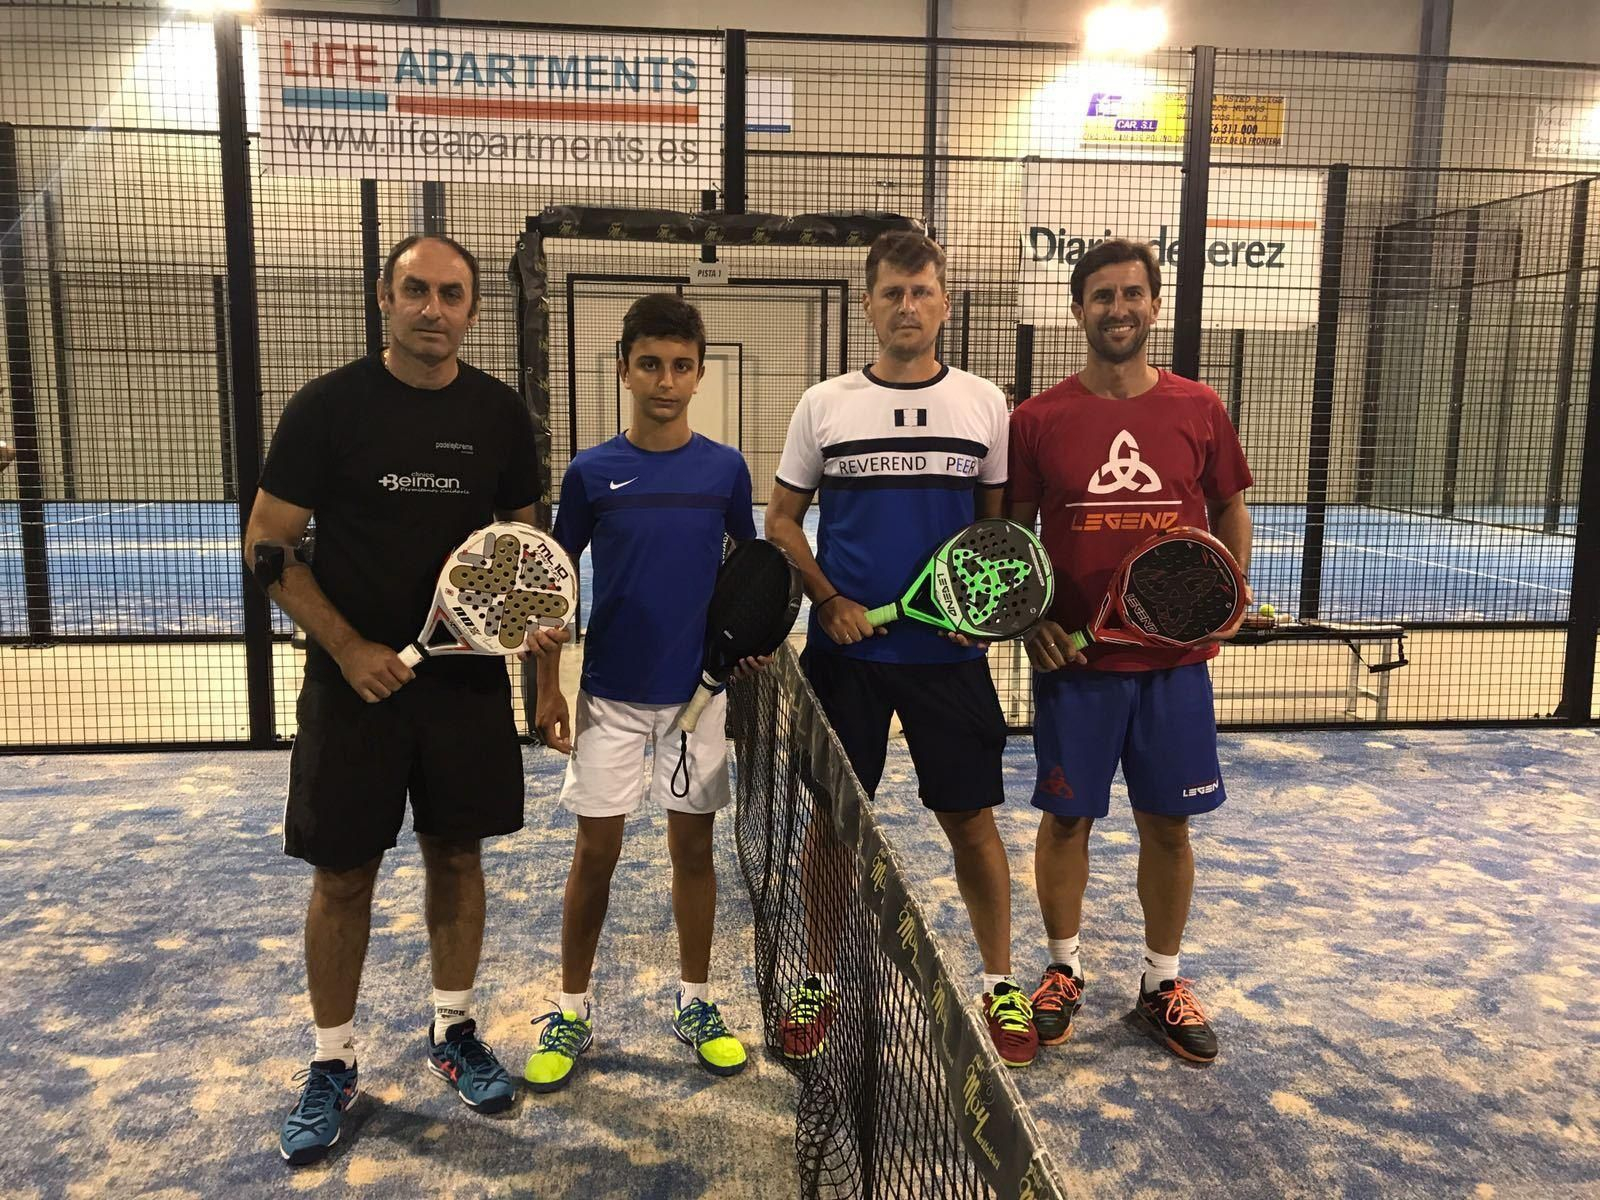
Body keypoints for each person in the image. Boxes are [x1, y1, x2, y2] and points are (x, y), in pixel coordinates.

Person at [245, 234, 565, 1165]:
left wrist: (547, 678)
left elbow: (527, 565)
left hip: (464, 686)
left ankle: (453, 1032)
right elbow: (267, 545)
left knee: (457, 856)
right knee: (343, 875)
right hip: (353, 690)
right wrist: (347, 648)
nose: (435, 308)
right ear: (386, 297)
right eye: (417, 291)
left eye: (452, 294)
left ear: (472, 309)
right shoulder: (328, 408)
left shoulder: (500, 414)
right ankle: (332, 1061)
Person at [765, 231, 1039, 1068]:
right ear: (868, 303)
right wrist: (830, 599)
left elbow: (999, 530)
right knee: (834, 829)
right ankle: (817, 977)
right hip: (846, 655)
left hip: (948, 657)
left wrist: (982, 616)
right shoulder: (825, 404)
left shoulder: (986, 404)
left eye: (922, 292)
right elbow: (782, 520)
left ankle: (999, 983)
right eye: (892, 293)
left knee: (970, 821)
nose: (908, 307)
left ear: (945, 303)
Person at [1007, 237, 1253, 1064]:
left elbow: (1230, 509)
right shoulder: (1037, 419)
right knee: (1067, 818)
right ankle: (1064, 969)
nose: (1119, 308)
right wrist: (1031, 616)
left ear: (1157, 305)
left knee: (1169, 825)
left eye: (1133, 294)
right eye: (1102, 296)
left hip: (1174, 669)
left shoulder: (1201, 407)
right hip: (1076, 667)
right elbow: (1015, 534)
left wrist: (1222, 598)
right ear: (1078, 310)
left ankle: (1161, 982)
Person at [523, 294, 764, 1093]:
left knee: (693, 851)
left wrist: (745, 649)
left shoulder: (726, 470)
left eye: (682, 366)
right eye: (651, 364)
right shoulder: (592, 472)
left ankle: (696, 1002)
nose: (666, 380)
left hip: (698, 698)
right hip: (610, 699)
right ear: (624, 368)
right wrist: (547, 687)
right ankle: (571, 1009)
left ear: (700, 373)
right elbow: (554, 590)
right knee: (595, 853)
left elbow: (748, 579)